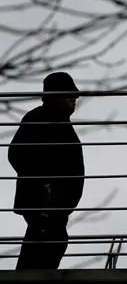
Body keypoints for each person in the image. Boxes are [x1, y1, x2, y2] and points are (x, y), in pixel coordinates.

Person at [8, 72, 85, 270]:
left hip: (58, 204)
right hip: (42, 202)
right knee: (45, 239)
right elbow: (16, 153)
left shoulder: (63, 126)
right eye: (68, 93)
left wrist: (64, 196)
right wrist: (41, 184)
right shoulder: (37, 119)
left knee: (52, 241)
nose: (74, 98)